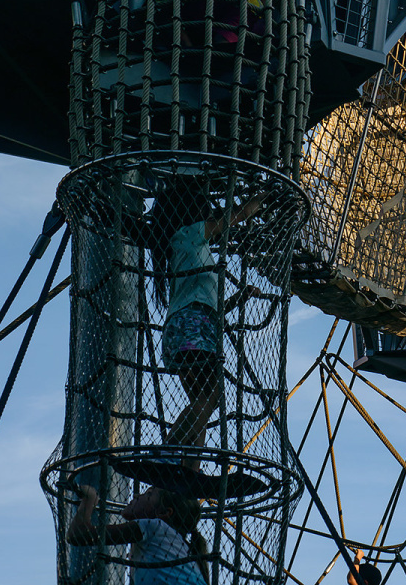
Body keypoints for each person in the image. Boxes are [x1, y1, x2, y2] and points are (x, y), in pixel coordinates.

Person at [149, 177, 268, 449]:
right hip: (193, 328)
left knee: (202, 403)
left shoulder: (184, 248)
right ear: (191, 212)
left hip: (189, 328)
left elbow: (209, 307)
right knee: (211, 398)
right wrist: (262, 199)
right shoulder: (189, 234)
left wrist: (240, 296)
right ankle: (165, 455)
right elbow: (236, 216)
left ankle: (188, 474)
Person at [67, 483, 208, 584]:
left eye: (148, 494)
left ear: (164, 513)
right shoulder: (179, 547)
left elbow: (78, 535)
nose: (135, 495)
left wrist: (89, 498)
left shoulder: (154, 526)